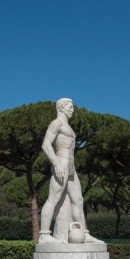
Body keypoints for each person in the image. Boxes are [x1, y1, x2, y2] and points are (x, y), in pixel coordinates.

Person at [39, 98, 102, 243]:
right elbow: (46, 144)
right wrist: (56, 163)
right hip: (61, 162)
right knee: (53, 198)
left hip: (71, 167)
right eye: (70, 107)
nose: (72, 110)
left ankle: (84, 233)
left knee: (78, 200)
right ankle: (44, 234)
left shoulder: (69, 127)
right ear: (61, 108)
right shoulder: (57, 123)